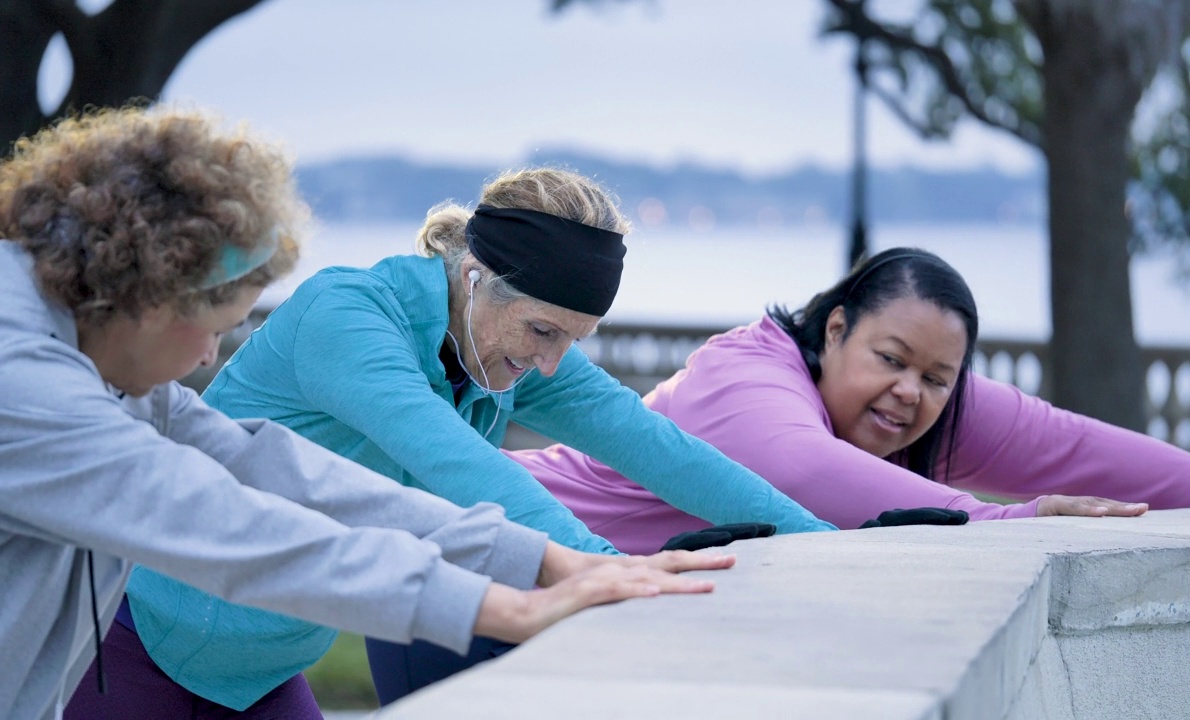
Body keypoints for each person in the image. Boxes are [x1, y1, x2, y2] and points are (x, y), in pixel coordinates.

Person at [0, 107, 733, 720]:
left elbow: (275, 468)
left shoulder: (98, 358)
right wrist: (509, 609)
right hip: (140, 653)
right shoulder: (27, 387)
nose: (206, 358)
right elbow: (226, 521)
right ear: (147, 298)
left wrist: (548, 561)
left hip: (249, 670)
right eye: (213, 325)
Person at [117, 166, 838, 711]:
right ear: (473, 275)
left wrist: (825, 543)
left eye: (574, 339)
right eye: (543, 332)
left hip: (269, 663)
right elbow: (465, 471)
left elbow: (658, 446)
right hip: (143, 638)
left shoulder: (500, 340)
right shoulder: (347, 318)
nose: (550, 362)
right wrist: (612, 572)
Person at [510, 246, 1190, 555]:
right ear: (836, 327)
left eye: (938, 378)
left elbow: (1070, 447)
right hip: (497, 557)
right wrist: (1004, 520)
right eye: (891, 359)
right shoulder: (744, 378)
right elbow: (800, 472)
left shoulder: (913, 398)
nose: (911, 391)